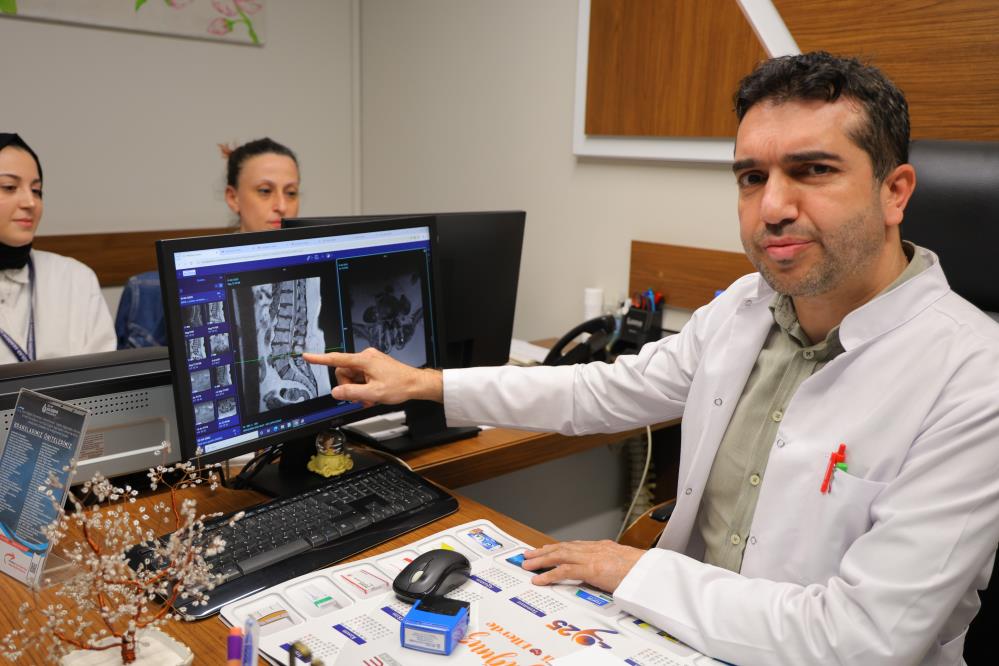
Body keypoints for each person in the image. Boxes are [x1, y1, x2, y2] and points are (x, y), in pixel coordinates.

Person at [303, 52, 999, 665]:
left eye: (812, 171)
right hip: (677, 638)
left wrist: (630, 569)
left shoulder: (973, 378)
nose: (772, 207)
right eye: (750, 177)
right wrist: (425, 383)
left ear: (894, 192)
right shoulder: (745, 307)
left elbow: (862, 641)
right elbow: (599, 392)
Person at [115, 137, 300, 347]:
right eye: (265, 191)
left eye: (291, 193)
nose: (282, 206)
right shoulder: (152, 291)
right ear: (233, 198)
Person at [0, 133, 116, 364]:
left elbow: (103, 377)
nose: (30, 202)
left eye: (36, 190)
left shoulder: (75, 278)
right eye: (9, 187)